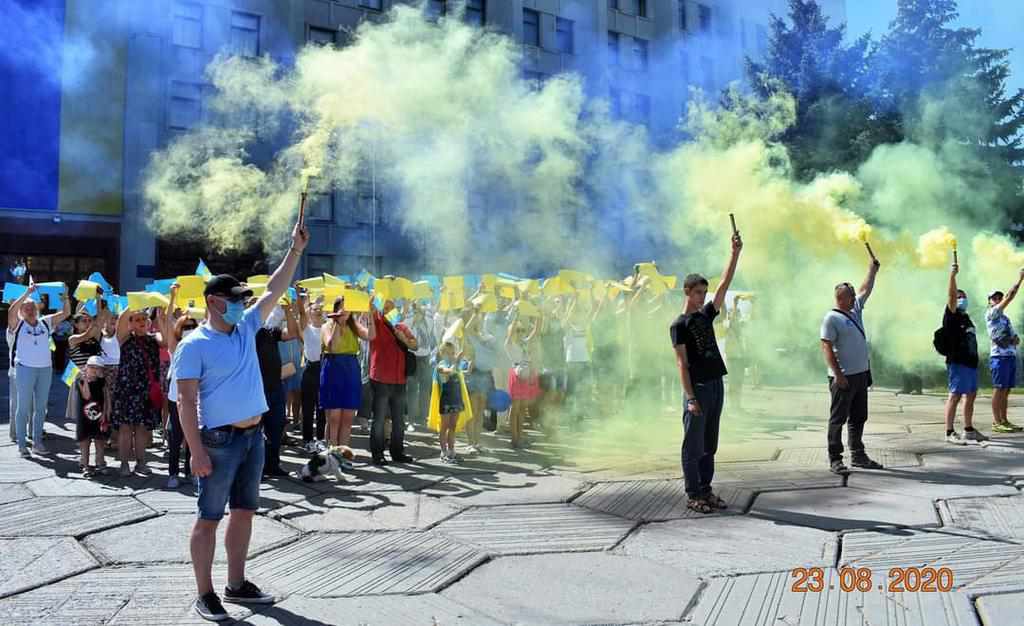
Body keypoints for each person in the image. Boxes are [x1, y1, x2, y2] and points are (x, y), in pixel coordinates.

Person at [172, 217, 308, 622]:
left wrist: (296, 250)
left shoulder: (247, 326)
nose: (241, 303)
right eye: (233, 299)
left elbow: (274, 289)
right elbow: (184, 400)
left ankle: (236, 584)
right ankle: (205, 593)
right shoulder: (194, 344)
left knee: (245, 512)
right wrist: (195, 452)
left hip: (253, 439)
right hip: (218, 441)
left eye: (241, 298)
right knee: (209, 518)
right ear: (214, 301)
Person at [671, 231, 741, 514]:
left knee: (709, 442)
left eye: (704, 292)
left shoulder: (705, 314)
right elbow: (681, 364)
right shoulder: (680, 324)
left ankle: (706, 488)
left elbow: (724, 286)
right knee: (693, 443)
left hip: (715, 383)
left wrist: (734, 253)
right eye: (698, 292)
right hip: (697, 387)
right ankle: (693, 493)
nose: (703, 296)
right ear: (687, 292)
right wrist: (689, 396)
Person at [820, 248, 883, 476]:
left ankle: (858, 454)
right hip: (843, 377)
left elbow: (866, 288)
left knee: (859, 416)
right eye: (851, 293)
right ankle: (835, 458)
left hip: (860, 375)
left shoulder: (855, 309)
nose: (856, 295)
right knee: (838, 418)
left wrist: (872, 270)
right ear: (840, 297)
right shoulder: (832, 318)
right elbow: (826, 346)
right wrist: (838, 375)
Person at [8, 282, 70, 457]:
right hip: (24, 368)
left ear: (37, 309)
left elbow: (66, 313)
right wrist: (27, 293)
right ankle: (22, 444)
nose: (29, 310)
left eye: (32, 307)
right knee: (23, 406)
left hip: (45, 369)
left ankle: (37, 442)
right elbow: (12, 311)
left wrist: (65, 295)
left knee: (41, 408)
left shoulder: (45, 322)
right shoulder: (18, 325)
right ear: (21, 311)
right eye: (26, 308)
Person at [112, 307, 164, 476]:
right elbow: (121, 320)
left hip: (146, 391)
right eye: (137, 319)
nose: (142, 322)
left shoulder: (153, 339)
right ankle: (124, 464)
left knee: (142, 429)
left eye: (144, 319)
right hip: (127, 390)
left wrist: (163, 315)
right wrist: (134, 303)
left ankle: (141, 463)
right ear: (130, 324)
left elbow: (167, 341)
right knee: (126, 428)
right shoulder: (124, 338)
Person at [320, 295, 373, 454]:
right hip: (333, 368)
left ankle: (342, 454)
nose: (345, 310)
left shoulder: (354, 325)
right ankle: (331, 453)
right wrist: (338, 322)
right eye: (342, 307)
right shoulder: (327, 326)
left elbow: (371, 336)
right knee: (334, 417)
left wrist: (370, 314)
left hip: (351, 369)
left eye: (348, 307)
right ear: (336, 309)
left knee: (348, 417)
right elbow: (333, 347)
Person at [942, 262, 987, 444]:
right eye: (960, 296)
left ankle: (968, 429)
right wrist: (952, 276)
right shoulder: (951, 314)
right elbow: (951, 295)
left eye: (964, 296)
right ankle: (949, 432)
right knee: (955, 395)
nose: (962, 299)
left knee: (971, 394)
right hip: (958, 362)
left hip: (970, 364)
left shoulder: (966, 317)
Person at [368, 298, 417, 465]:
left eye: (391, 308)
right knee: (380, 419)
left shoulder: (401, 326)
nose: (388, 311)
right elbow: (369, 313)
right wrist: (372, 303)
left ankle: (397, 452)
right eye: (385, 307)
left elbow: (415, 345)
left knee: (399, 420)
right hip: (381, 378)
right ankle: (377, 453)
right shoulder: (376, 321)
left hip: (399, 379)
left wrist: (402, 337)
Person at [254, 301, 299, 478]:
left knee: (276, 428)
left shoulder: (271, 331)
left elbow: (293, 333)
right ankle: (256, 468)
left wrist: (288, 311)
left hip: (275, 387)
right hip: (256, 389)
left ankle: (273, 465)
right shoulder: (247, 331)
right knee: (256, 431)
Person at [985, 270, 1024, 433]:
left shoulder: (1005, 319)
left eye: (999, 297)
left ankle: (1004, 420)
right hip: (998, 357)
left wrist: (1015, 340)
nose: (998, 299)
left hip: (1009, 356)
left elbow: (1016, 339)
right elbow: (1010, 295)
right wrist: (1020, 279)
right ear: (989, 302)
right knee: (999, 388)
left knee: (1006, 390)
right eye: (994, 298)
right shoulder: (992, 313)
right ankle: (996, 421)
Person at [505, 315, 540, 449]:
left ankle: (520, 436)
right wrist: (515, 317)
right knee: (515, 408)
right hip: (515, 374)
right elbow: (509, 335)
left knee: (522, 408)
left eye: (522, 330)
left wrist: (539, 314)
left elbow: (536, 331)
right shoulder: (509, 344)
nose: (520, 333)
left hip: (526, 375)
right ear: (512, 332)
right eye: (517, 330)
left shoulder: (524, 342)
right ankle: (514, 439)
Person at [463, 311, 496, 452]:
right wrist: (475, 312)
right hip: (473, 375)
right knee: (472, 411)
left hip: (485, 376)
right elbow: (467, 329)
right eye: (477, 320)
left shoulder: (486, 337)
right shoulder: (470, 337)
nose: (479, 322)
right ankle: (470, 443)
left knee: (480, 412)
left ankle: (477, 442)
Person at [297, 293, 326, 452]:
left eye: (320, 309)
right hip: (310, 369)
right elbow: (301, 313)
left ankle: (321, 439)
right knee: (308, 408)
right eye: (314, 309)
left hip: (324, 369)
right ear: (310, 312)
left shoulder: (327, 327)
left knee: (322, 407)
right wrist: (302, 297)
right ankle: (307, 440)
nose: (318, 311)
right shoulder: (307, 328)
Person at [405, 300, 437, 431]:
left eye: (421, 311)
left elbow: (431, 312)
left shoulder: (428, 321)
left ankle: (424, 417)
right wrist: (413, 310)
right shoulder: (409, 321)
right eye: (417, 311)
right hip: (412, 357)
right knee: (412, 390)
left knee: (425, 390)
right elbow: (406, 321)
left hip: (425, 358)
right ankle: (411, 420)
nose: (420, 313)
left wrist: (421, 308)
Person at [76, 355, 110, 476]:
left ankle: (100, 462)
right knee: (85, 441)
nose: (95, 370)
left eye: (98, 368)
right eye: (92, 367)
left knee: (100, 440)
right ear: (87, 367)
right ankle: (85, 464)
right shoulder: (80, 380)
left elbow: (105, 398)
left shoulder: (102, 382)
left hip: (99, 415)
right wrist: (85, 380)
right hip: (84, 417)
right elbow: (86, 396)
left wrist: (105, 414)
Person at [433, 340, 466, 463]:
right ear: (442, 353)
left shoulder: (456, 364)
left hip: (456, 398)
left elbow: (464, 352)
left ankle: (452, 450)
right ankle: (443, 451)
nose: (451, 355)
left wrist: (464, 339)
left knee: (453, 426)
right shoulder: (440, 366)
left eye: (453, 353)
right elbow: (448, 372)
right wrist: (455, 362)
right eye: (448, 353)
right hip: (446, 399)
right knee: (444, 426)